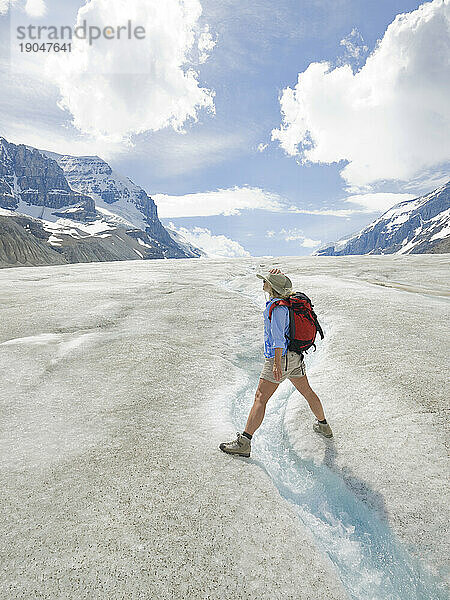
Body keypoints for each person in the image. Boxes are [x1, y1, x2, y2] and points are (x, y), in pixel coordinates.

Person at [219, 268, 332, 458]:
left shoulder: (278, 308)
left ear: (272, 287)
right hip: (295, 357)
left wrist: (276, 363)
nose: (263, 283)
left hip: (281, 358)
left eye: (266, 281)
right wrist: (278, 277)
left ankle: (244, 443)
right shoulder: (284, 303)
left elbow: (278, 339)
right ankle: (324, 426)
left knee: (260, 398)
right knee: (307, 392)